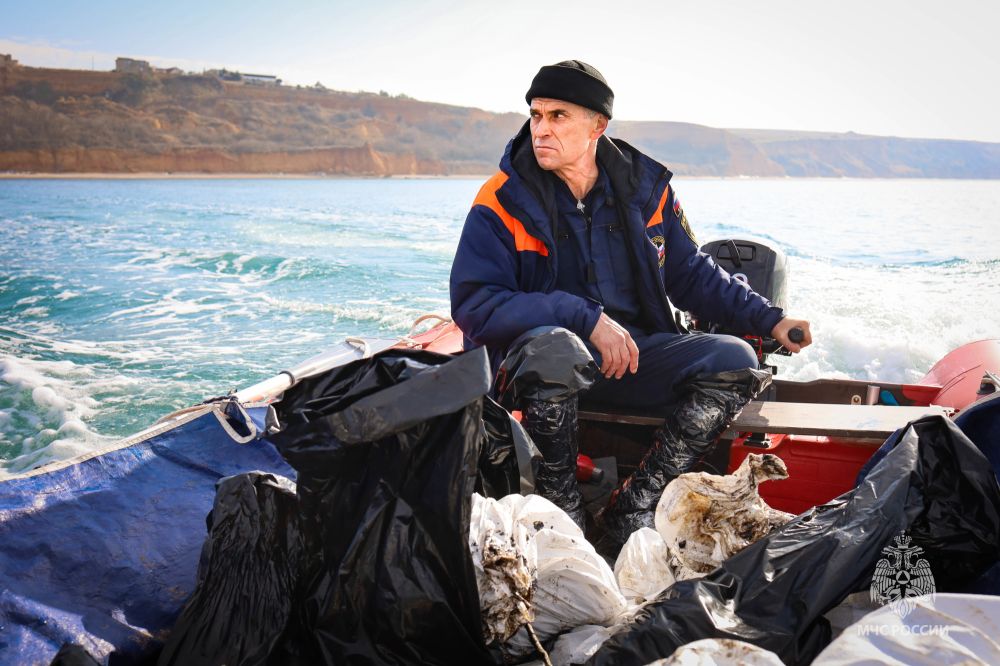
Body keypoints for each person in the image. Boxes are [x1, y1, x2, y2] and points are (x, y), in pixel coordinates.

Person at [449, 60, 812, 552]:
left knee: (735, 359)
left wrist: (771, 318)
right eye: (536, 115)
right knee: (555, 348)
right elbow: (475, 306)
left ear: (597, 126)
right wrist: (584, 317)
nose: (541, 129)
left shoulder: (647, 191)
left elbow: (693, 276)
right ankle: (562, 514)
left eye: (559, 116)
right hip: (534, 375)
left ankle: (635, 504)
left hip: (632, 361)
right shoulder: (501, 199)